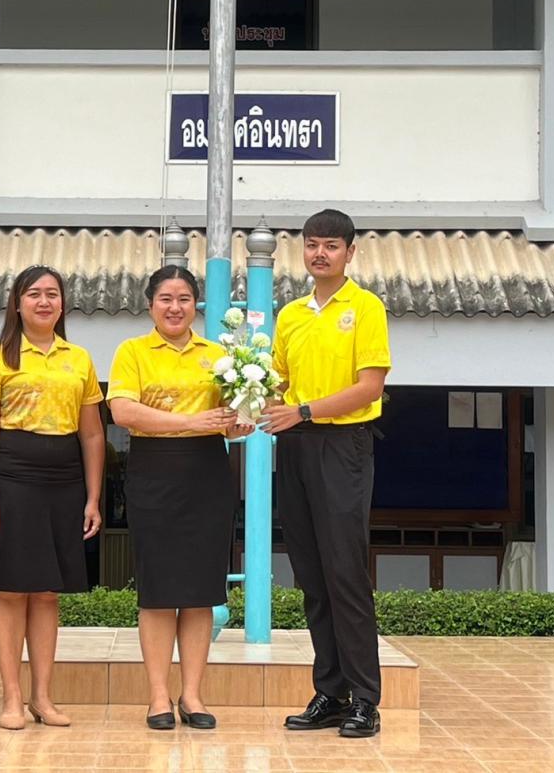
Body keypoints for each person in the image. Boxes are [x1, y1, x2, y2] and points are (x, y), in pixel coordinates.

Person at [260, 209, 392, 738]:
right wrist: (263, 402)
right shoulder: (290, 314)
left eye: (331, 246)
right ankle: (331, 693)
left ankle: (365, 699)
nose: (320, 254)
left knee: (345, 574)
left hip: (343, 445)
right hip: (294, 446)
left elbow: (371, 387)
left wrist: (305, 410)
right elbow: (276, 379)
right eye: (312, 245)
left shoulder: (366, 308)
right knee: (311, 574)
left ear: (350, 252)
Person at [0, 265, 105, 730]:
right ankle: (11, 697)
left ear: (63, 304)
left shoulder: (79, 358)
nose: (44, 302)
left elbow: (93, 436)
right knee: (10, 589)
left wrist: (93, 498)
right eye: (34, 294)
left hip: (64, 479)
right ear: (17, 303)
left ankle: (43, 697)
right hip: (12, 476)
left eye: (52, 294)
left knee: (46, 592)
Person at [107, 265, 251, 731]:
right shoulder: (132, 352)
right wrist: (191, 422)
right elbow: (124, 410)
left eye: (185, 298)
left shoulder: (218, 354)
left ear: (196, 305)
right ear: (150, 304)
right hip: (153, 473)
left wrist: (240, 423)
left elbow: (227, 418)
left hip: (207, 475)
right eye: (166, 298)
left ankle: (192, 695)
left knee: (200, 591)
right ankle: (157, 697)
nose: (175, 307)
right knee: (158, 591)